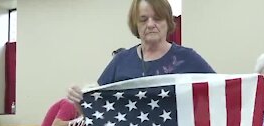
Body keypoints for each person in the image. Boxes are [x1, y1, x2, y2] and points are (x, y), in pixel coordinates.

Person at [67, 0, 215, 104]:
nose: (150, 24)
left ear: (168, 22)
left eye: (157, 18)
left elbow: (219, 93)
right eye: (143, 19)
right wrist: (79, 99)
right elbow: (97, 107)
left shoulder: (188, 58)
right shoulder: (121, 61)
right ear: (135, 24)